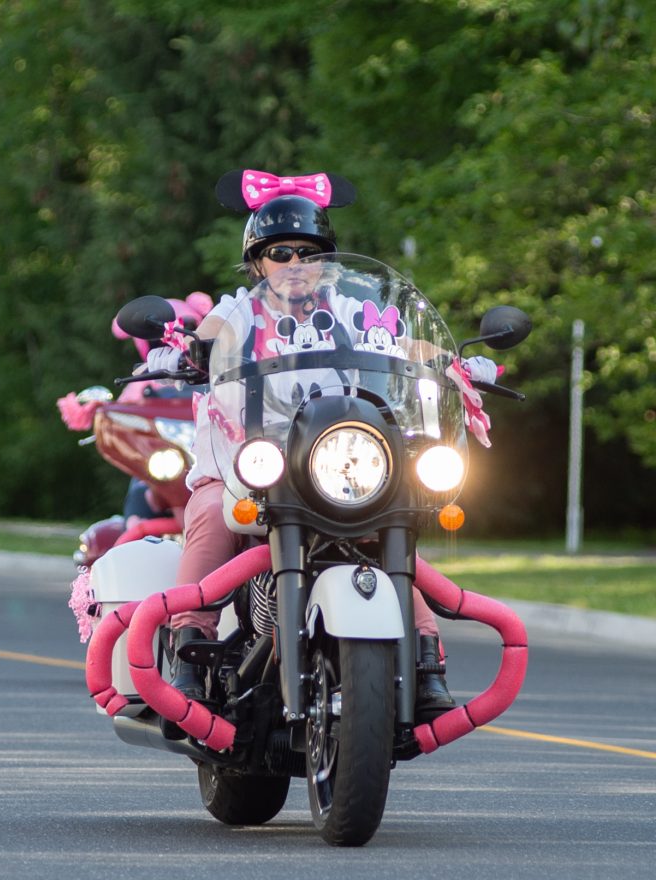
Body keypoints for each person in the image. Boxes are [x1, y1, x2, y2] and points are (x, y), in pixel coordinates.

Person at [143, 169, 500, 719]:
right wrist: (185, 353)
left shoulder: (355, 312)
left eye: (308, 252)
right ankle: (189, 653)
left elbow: (406, 344)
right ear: (258, 262)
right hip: (251, 466)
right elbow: (206, 339)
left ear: (326, 261)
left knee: (390, 523)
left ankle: (427, 658)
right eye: (279, 252)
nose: (294, 264)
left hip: (338, 462)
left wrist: (454, 364)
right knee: (213, 512)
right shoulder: (238, 311)